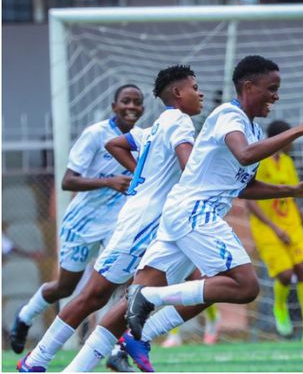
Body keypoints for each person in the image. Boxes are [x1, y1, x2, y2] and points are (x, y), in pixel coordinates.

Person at [43, 56, 303, 373]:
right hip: (194, 212)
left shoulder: (254, 132)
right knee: (244, 286)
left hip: (180, 215)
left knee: (142, 304)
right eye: (271, 88)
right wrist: (300, 130)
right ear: (249, 86)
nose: (276, 96)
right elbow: (244, 155)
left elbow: (241, 185)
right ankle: (148, 299)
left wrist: (293, 189)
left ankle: (93, 359)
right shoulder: (226, 116)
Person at [16, 65, 202, 372]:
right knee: (93, 294)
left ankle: (121, 348)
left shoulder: (157, 126)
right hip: (137, 226)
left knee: (164, 288)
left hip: (158, 225)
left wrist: (142, 178)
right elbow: (190, 170)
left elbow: (116, 144)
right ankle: (35, 361)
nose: (201, 92)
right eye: (195, 87)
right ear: (177, 93)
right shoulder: (179, 122)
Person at [10, 84, 144, 356]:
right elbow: (68, 181)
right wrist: (109, 182)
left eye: (137, 102)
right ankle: (24, 317)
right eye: (126, 101)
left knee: (115, 283)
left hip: (117, 226)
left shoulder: (142, 139)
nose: (131, 107)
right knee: (65, 287)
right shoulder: (96, 134)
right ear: (114, 106)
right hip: (82, 224)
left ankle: (106, 345)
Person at [246, 119, 303, 344]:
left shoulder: (287, 163)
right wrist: (275, 228)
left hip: (290, 224)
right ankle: (280, 306)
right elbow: (250, 201)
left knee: (302, 270)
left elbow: (294, 199)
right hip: (266, 227)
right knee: (284, 274)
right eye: (291, 137)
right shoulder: (259, 162)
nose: (293, 142)